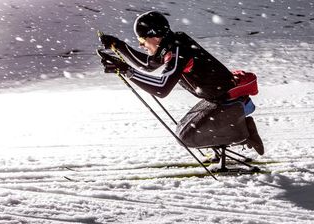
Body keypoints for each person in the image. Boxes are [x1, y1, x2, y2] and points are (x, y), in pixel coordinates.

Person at [99, 11, 264, 156]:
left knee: (186, 137)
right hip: (218, 98)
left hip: (230, 102)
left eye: (142, 39)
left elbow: (161, 88)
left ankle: (244, 134)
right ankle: (239, 131)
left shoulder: (178, 49)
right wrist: (117, 45)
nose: (141, 44)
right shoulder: (170, 44)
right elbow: (149, 65)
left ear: (155, 36)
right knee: (182, 131)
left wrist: (127, 70)